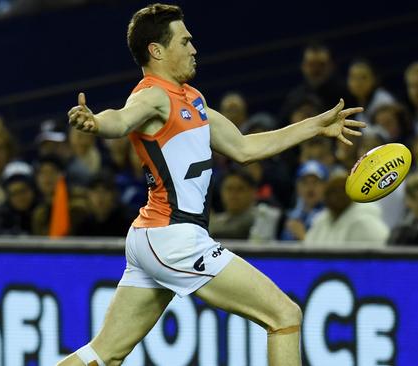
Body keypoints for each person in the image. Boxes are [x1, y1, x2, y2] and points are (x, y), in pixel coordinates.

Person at [59, 4, 364, 366]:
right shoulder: (152, 96)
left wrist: (314, 125)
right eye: (185, 41)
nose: (194, 48)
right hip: (173, 238)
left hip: (155, 236)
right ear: (156, 51)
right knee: (284, 315)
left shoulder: (193, 99)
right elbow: (122, 119)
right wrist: (96, 122)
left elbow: (245, 148)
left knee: (104, 354)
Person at [304, 174, 389, 246]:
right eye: (331, 193)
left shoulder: (365, 221)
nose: (335, 198)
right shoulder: (321, 220)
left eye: (340, 192)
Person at [280, 160, 328, 241]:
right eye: (305, 182)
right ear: (297, 187)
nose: (310, 187)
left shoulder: (329, 216)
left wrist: (303, 237)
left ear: (325, 186)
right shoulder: (291, 216)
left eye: (315, 182)